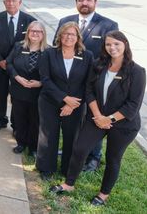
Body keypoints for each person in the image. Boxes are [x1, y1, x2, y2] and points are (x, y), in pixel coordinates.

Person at [49, 31, 146, 206]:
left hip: (123, 124)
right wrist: (98, 116)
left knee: (112, 158)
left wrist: (109, 119)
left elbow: (133, 104)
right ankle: (69, 184)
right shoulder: (98, 65)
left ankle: (103, 195)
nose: (112, 48)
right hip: (97, 117)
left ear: (125, 44)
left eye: (116, 44)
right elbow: (89, 91)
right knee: (80, 148)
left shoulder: (137, 71)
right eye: (108, 44)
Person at [55, 0, 119, 172]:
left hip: (95, 82)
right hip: (70, 81)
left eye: (88, 0)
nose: (84, 3)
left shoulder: (108, 25)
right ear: (76, 2)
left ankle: (94, 157)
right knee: (73, 117)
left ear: (95, 3)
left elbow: (113, 53)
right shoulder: (65, 22)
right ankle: (74, 149)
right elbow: (57, 48)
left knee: (93, 118)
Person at [37, 22, 93, 180]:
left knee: (71, 136)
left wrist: (72, 104)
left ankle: (67, 169)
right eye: (65, 34)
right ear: (60, 36)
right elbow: (45, 80)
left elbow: (88, 84)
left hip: (75, 105)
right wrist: (64, 98)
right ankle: (46, 168)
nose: (69, 37)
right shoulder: (49, 53)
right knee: (49, 135)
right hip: (50, 101)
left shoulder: (87, 56)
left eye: (72, 34)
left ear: (78, 38)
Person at [0, 0, 36, 131]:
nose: (11, 3)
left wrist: (12, 62)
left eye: (14, 0)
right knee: (0, 94)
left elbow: (33, 43)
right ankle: (0, 120)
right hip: (0, 65)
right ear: (4, 2)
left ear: (19, 2)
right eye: (8, 0)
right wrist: (0, 60)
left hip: (20, 68)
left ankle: (16, 124)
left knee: (17, 97)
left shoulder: (30, 21)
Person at [6, 21, 47, 156]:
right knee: (20, 118)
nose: (34, 33)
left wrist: (40, 83)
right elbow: (9, 63)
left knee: (35, 120)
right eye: (32, 31)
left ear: (43, 34)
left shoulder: (49, 51)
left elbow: (53, 73)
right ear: (28, 33)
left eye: (38, 31)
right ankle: (21, 143)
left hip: (38, 93)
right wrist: (17, 77)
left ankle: (33, 147)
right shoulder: (18, 46)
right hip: (19, 90)